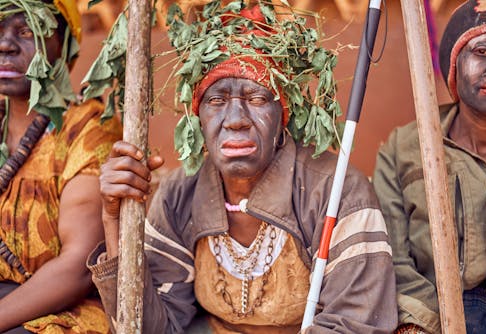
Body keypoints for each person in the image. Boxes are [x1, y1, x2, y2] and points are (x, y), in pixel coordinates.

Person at [88, 1, 397, 333]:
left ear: (283, 116)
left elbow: (355, 322)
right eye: (217, 101)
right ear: (199, 119)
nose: (235, 120)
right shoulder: (179, 196)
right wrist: (115, 223)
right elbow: (148, 328)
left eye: (257, 99)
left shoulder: (334, 192)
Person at [372, 1, 486, 333]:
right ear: (454, 64)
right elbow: (391, 255)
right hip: (438, 315)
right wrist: (418, 322)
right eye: (483, 51)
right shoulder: (406, 148)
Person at [0, 0, 122, 333]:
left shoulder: (89, 128)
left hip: (60, 310)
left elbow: (77, 267)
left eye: (28, 31)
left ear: (64, 46)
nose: (5, 45)